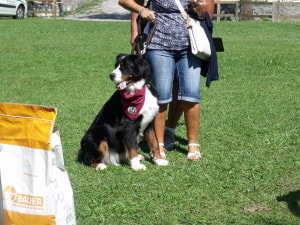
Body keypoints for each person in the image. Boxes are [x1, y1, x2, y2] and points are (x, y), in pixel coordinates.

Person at [119, 0, 216, 160]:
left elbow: (206, 14)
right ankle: (159, 145)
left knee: (191, 93)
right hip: (159, 46)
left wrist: (200, 10)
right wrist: (141, 12)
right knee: (162, 95)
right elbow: (125, 1)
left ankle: (193, 144)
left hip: (191, 47)